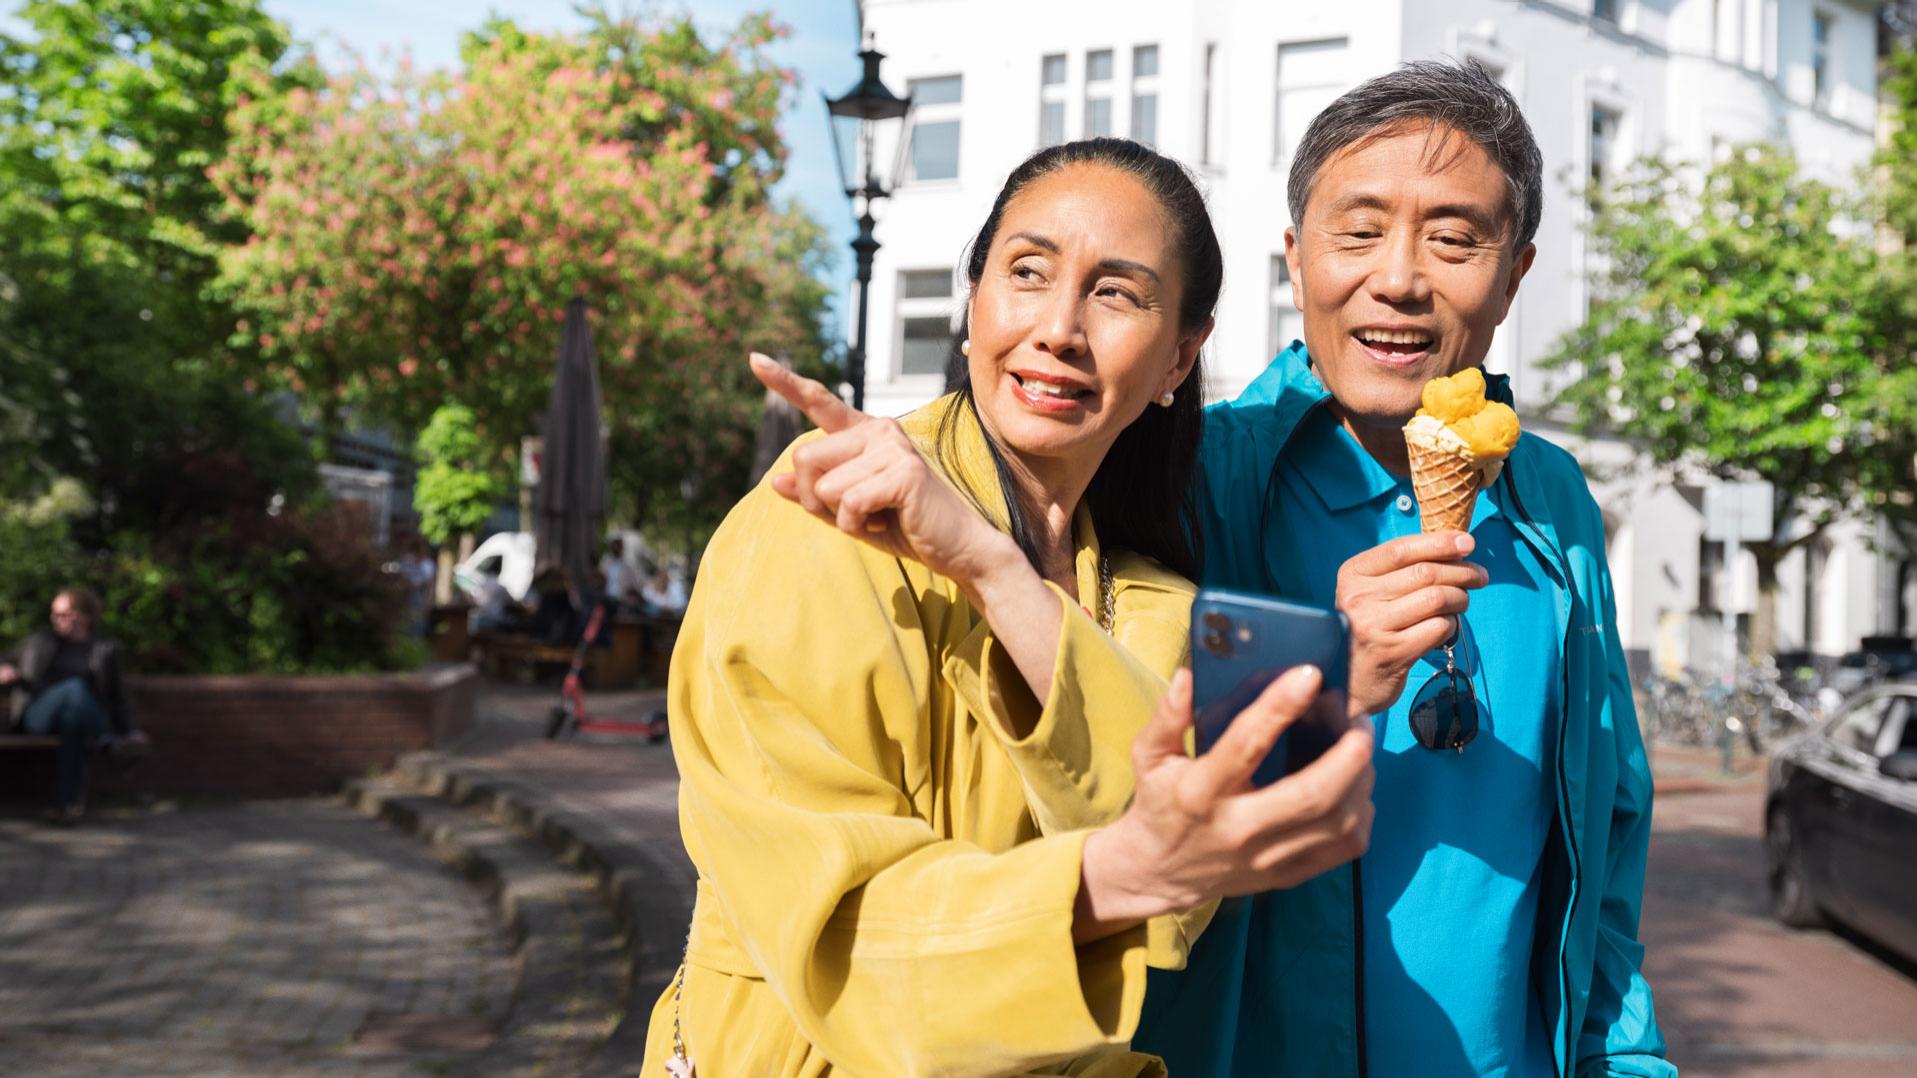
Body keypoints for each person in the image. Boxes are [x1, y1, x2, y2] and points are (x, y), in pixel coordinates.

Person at [638, 138, 1381, 1077]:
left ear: (1177, 360)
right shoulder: (819, 518)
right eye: (1026, 272)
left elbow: (1181, 885)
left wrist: (993, 570)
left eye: (1116, 293)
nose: (1059, 327)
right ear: (974, 303)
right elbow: (835, 929)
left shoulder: (1156, 601)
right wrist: (1113, 876)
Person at [1132, 62, 1672, 1077]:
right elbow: (1111, 814)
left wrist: (1629, 1063)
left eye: (1456, 237)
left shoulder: (1554, 498)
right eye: (1360, 229)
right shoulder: (1194, 480)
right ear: (1295, 258)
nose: (1401, 278)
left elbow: (1609, 840)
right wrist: (1326, 679)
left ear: (1514, 275)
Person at [1, 588, 145, 821]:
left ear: (85, 616)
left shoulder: (104, 649)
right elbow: (4, 657)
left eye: (64, 614)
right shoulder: (40, 641)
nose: (57, 619)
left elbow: (117, 694)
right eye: (54, 614)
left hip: (76, 718)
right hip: (37, 715)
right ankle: (105, 738)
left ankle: (67, 805)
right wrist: (4, 668)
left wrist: (130, 729)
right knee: (74, 688)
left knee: (73, 723)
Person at [599, 537, 635, 612]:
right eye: (614, 547)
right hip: (607, 598)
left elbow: (631, 584)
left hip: (621, 599)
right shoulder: (605, 562)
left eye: (618, 547)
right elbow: (600, 579)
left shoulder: (627, 565)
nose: (616, 549)